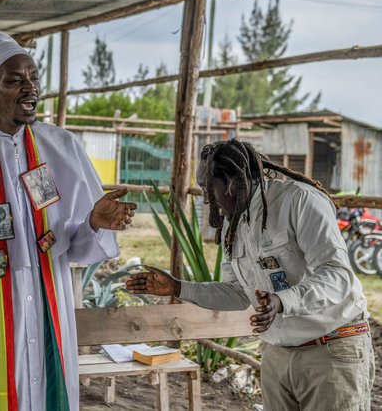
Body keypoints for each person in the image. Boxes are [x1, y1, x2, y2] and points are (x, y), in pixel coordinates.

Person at [0, 30, 137, 411]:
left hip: (48, 305)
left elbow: (72, 247)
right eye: (14, 80)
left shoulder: (62, 146)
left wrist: (94, 222)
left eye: (33, 78)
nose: (30, 88)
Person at [126, 139, 374, 410]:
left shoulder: (299, 200)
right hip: (277, 354)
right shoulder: (235, 224)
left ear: (233, 180)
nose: (206, 197)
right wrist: (178, 288)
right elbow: (237, 294)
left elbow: (337, 275)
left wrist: (281, 301)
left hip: (330, 350)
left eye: (208, 187)